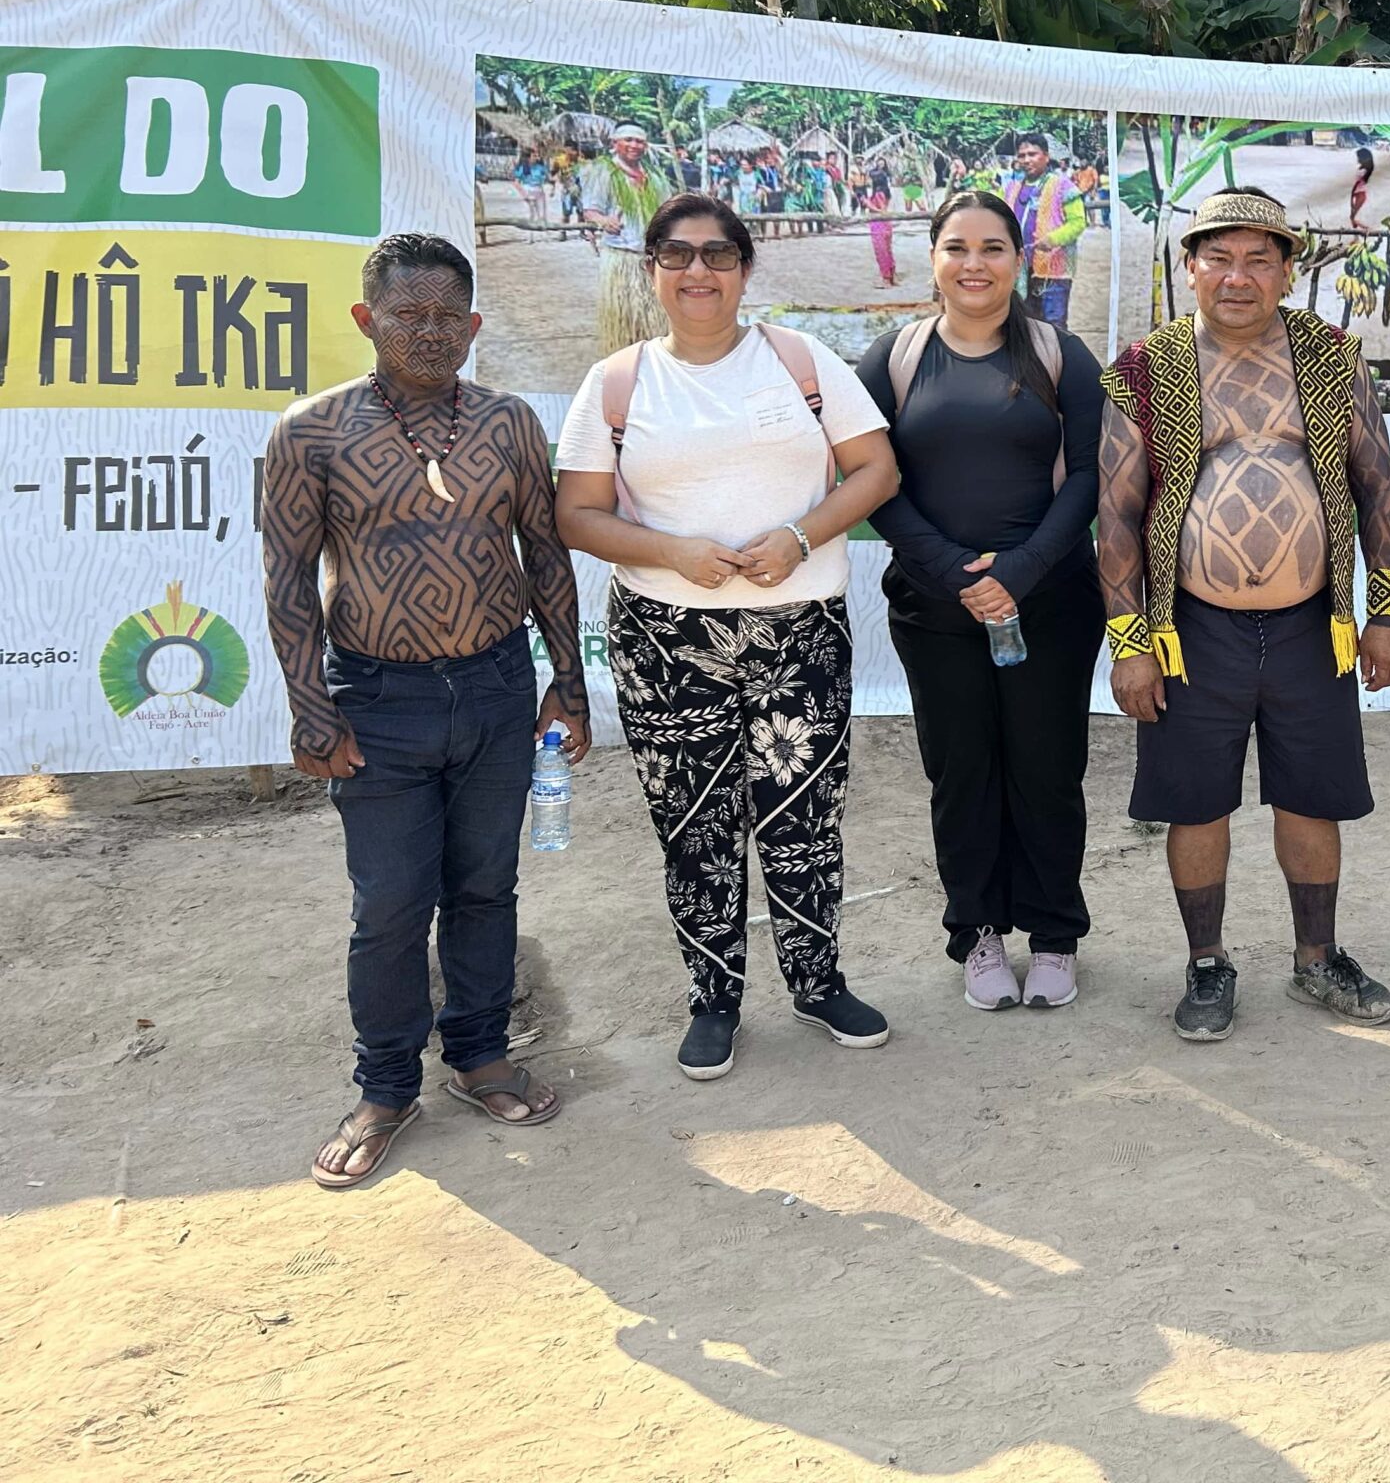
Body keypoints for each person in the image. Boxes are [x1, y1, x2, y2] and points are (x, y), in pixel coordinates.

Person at [262, 233, 589, 1190]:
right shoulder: (311, 433)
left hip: (495, 690)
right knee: (392, 905)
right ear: (367, 319)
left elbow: (547, 559)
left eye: (450, 316)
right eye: (409, 314)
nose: (431, 333)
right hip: (378, 699)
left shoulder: (511, 423)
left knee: (486, 887)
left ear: (476, 325)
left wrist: (567, 682)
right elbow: (286, 580)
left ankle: (480, 1053)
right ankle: (385, 1086)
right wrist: (310, 707)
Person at [554, 194, 903, 1080]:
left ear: (746, 270)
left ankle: (818, 983)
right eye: (677, 255)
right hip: (665, 639)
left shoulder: (799, 361)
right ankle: (714, 1000)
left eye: (717, 255)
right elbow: (578, 514)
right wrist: (670, 549)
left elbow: (875, 469)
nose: (698, 272)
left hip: (801, 632)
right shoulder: (619, 382)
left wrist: (800, 536)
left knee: (804, 819)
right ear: (652, 271)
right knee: (693, 824)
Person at [1099, 188, 1390, 1042]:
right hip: (1190, 629)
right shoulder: (1147, 367)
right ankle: (1207, 965)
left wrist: (1385, 614)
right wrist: (1129, 646)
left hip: (1316, 623)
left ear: (1286, 270)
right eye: (1220, 258)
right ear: (1190, 267)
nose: (1238, 277)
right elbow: (1118, 515)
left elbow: (1378, 487)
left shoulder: (1329, 354)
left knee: (1313, 797)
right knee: (1196, 804)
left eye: (1259, 259)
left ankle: (1319, 959)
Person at [857, 193, 1106, 1010]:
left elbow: (1089, 480)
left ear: (1018, 260)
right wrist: (957, 574)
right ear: (932, 258)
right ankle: (980, 934)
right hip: (937, 611)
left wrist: (1021, 573)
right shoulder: (891, 359)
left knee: (1046, 766)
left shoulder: (1060, 354)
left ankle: (1056, 935)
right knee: (961, 771)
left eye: (993, 248)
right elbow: (874, 484)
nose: (974, 264)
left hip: (1051, 604)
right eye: (957, 247)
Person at [580, 122, 674, 352]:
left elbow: (669, 208)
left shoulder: (654, 176)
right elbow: (590, 210)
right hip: (620, 257)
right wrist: (603, 220)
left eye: (639, 141)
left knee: (655, 318)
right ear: (615, 143)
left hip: (652, 259)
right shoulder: (604, 172)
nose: (634, 145)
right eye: (628, 140)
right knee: (624, 318)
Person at [1004, 133, 1086, 326]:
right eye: (1022, 155)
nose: (1026, 160)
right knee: (1026, 323)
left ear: (1046, 156)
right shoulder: (1011, 188)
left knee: (1054, 323)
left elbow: (1078, 223)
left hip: (1054, 270)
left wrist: (1053, 239)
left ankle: (1056, 357)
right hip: (1020, 270)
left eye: (1032, 154)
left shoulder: (1063, 186)